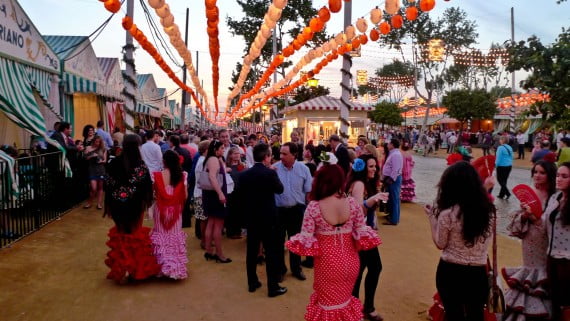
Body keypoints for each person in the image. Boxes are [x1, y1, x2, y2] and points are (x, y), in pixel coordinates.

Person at [286, 164, 382, 320]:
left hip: (327, 264)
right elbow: (362, 233)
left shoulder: (314, 207)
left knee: (328, 308)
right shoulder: (352, 204)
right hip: (351, 262)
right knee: (345, 303)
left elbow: (305, 239)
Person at [424, 161, 495, 321]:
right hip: (478, 271)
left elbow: (440, 243)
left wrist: (431, 218)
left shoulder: (448, 214)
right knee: (476, 314)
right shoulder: (489, 213)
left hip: (451, 271)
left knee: (453, 313)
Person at [502, 160, 557, 321]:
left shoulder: (555, 197)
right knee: (528, 272)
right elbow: (515, 226)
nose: (537, 176)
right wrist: (525, 215)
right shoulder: (530, 193)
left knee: (543, 274)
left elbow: (554, 226)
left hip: (546, 242)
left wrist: (534, 217)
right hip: (529, 240)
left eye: (542, 173)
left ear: (549, 175)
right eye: (535, 172)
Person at [103, 134, 159, 284]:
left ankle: (122, 270)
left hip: (117, 205)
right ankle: (134, 271)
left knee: (121, 235)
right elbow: (146, 188)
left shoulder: (114, 163)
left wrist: (117, 197)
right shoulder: (140, 165)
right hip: (135, 206)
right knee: (134, 236)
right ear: (137, 146)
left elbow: (107, 184)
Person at [233, 143, 287, 297]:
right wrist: (272, 173)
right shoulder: (270, 173)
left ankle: (252, 282)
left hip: (251, 217)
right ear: (266, 157)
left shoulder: (245, 175)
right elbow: (280, 189)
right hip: (268, 218)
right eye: (270, 156)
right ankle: (273, 286)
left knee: (251, 251)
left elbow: (241, 195)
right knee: (271, 252)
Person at [345, 156, 387, 321]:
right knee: (368, 269)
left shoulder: (362, 184)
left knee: (368, 268)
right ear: (362, 168)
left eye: (375, 167)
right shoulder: (359, 185)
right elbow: (356, 214)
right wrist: (372, 200)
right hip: (358, 234)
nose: (374, 170)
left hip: (363, 233)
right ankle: (360, 309)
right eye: (370, 166)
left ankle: (364, 308)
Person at [274, 142, 313, 281]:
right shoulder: (275, 169)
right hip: (278, 210)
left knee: (296, 241)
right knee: (278, 242)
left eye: (285, 154)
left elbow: (308, 191)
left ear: (294, 155)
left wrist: (307, 210)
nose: (281, 156)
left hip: (297, 210)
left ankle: (296, 268)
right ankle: (280, 270)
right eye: (281, 153)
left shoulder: (304, 169)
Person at [150, 150, 188, 280]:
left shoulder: (156, 176)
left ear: (164, 161)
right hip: (176, 210)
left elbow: (153, 195)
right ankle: (175, 269)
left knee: (161, 236)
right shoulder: (182, 176)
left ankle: (161, 268)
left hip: (160, 209)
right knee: (174, 237)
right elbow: (186, 196)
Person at [544, 162, 570, 321]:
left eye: (564, 176)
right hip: (551, 256)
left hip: (567, 260)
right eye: (558, 175)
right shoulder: (555, 197)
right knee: (554, 299)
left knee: (566, 302)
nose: (558, 179)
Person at [202, 140, 231, 263]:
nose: (223, 150)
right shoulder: (213, 159)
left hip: (209, 195)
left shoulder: (210, 159)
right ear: (216, 149)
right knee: (217, 226)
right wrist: (220, 193)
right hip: (215, 195)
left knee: (211, 223)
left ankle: (209, 251)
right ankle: (219, 254)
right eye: (222, 148)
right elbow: (212, 177)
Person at [225, 146, 247, 239]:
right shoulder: (227, 166)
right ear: (230, 155)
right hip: (230, 193)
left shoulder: (243, 165)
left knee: (239, 211)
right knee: (231, 212)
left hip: (241, 192)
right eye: (235, 153)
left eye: (238, 153)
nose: (237, 155)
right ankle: (231, 232)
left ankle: (238, 231)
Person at [193, 140, 211, 247]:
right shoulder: (203, 161)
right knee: (204, 219)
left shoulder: (203, 160)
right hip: (202, 193)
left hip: (201, 192)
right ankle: (204, 241)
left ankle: (205, 240)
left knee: (204, 218)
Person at [382, 138, 403, 225]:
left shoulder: (396, 155)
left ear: (392, 145)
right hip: (391, 178)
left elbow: (396, 169)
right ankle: (392, 215)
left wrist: (391, 179)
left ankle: (394, 219)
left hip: (393, 179)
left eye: (389, 143)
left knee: (394, 199)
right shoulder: (394, 153)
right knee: (391, 198)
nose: (387, 145)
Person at [83, 136, 107, 209]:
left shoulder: (103, 149)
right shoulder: (88, 148)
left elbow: (105, 160)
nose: (97, 143)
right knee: (93, 188)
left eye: (99, 142)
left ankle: (99, 204)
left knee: (100, 187)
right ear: (93, 141)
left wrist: (101, 161)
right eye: (96, 141)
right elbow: (85, 158)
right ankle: (90, 202)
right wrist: (92, 155)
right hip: (92, 169)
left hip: (101, 169)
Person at [496, 135, 514, 200]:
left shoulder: (500, 148)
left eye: (500, 139)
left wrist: (496, 165)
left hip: (501, 166)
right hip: (509, 166)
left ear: (503, 140)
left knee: (500, 180)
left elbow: (498, 158)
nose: (499, 141)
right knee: (504, 180)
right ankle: (501, 195)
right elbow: (512, 157)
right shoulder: (510, 147)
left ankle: (507, 193)